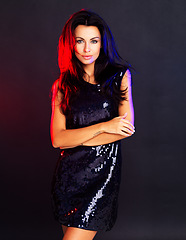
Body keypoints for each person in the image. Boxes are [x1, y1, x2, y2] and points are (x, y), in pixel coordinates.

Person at [50, 9, 135, 240]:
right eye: (80, 41)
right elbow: (58, 139)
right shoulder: (62, 86)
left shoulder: (119, 76)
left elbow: (125, 130)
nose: (87, 49)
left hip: (101, 180)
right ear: (71, 44)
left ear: (102, 43)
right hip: (68, 179)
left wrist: (76, 137)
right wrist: (104, 126)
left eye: (94, 41)